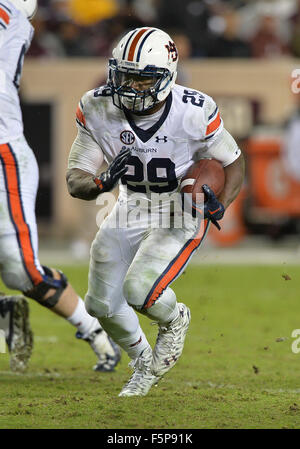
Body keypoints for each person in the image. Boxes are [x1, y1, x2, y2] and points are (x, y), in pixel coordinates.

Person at [66, 27, 245, 397]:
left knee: (139, 290)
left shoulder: (194, 111)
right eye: (124, 75)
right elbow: (75, 178)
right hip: (132, 202)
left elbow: (235, 162)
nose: (131, 86)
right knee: (100, 303)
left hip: (179, 206)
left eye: (143, 79)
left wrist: (220, 203)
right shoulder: (97, 106)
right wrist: (100, 184)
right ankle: (143, 360)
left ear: (167, 77)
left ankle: (175, 319)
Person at [0, 0, 121, 373]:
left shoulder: (10, 17)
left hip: (2, 155)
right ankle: (6, 317)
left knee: (21, 270)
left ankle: (95, 330)